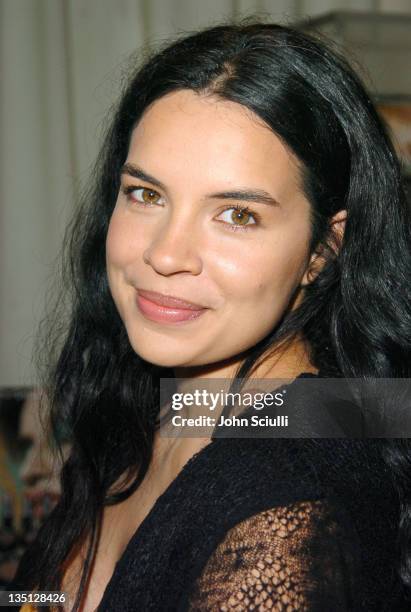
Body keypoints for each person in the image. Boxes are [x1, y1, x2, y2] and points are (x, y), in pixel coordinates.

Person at [14, 21, 411, 612]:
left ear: (323, 251)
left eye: (237, 215)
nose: (164, 255)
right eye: (146, 195)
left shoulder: (281, 523)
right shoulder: (169, 402)